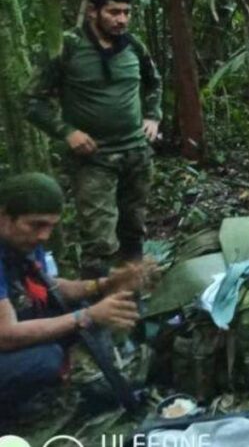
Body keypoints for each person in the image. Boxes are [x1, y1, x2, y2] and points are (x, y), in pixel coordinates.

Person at [24, 0, 162, 277]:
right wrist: (67, 132)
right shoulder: (67, 47)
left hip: (136, 153)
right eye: (113, 12)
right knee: (99, 241)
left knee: (134, 230)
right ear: (92, 11)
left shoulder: (134, 47)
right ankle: (99, 312)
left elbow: (154, 82)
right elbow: (32, 101)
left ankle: (132, 300)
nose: (121, 19)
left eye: (126, 12)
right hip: (94, 158)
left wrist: (152, 116)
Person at [0, 173, 149, 417]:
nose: (44, 236)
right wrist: (87, 316)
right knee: (44, 359)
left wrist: (105, 284)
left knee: (80, 308)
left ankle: (93, 375)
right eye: (36, 225)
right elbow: (5, 335)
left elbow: (50, 287)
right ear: (4, 215)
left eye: (50, 226)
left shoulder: (20, 242)